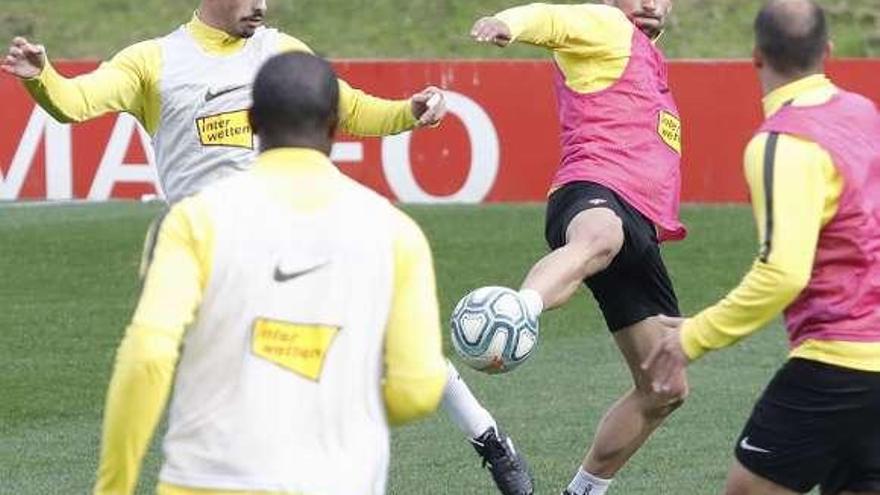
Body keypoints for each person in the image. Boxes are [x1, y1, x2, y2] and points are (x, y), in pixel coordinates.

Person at [2, 2, 533, 493]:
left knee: (360, 338)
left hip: (298, 226)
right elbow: (77, 102)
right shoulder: (154, 61)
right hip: (211, 249)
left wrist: (408, 111)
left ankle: (486, 436)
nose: (260, 4)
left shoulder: (282, 52)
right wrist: (44, 78)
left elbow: (352, 109)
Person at [90, 51, 446, 495]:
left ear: (252, 122)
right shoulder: (397, 234)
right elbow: (419, 390)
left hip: (207, 478)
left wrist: (114, 487)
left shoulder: (195, 220)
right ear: (335, 126)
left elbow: (147, 355)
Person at [643, 1, 880, 494]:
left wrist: (692, 337)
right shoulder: (863, 112)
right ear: (828, 51)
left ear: (755, 55)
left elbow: (783, 272)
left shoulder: (780, 143)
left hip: (836, 364)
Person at [469, 1, 686, 494]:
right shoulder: (606, 23)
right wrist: (508, 24)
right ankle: (517, 310)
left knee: (664, 388)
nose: (651, 3)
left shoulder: (647, 58)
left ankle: (582, 492)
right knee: (601, 237)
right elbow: (552, 19)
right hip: (593, 192)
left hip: (641, 229)